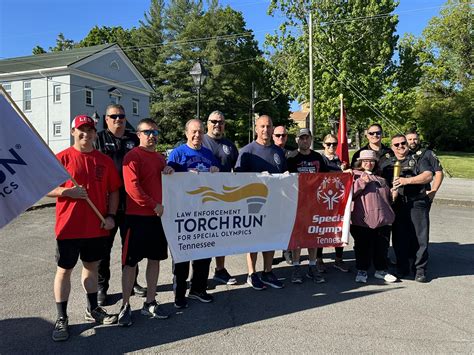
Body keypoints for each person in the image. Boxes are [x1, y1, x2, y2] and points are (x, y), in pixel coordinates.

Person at [47, 115, 122, 342]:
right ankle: (62, 318)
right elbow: (46, 188)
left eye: (90, 130)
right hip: (68, 227)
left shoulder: (104, 161)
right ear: (73, 132)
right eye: (81, 130)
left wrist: (110, 216)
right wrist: (66, 192)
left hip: (96, 227)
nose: (86, 134)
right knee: (64, 271)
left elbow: (115, 191)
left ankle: (93, 309)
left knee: (91, 268)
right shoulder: (62, 158)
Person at [118, 119, 174, 326]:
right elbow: (132, 189)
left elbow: (163, 182)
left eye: (155, 132)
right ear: (139, 135)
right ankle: (125, 305)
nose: (152, 136)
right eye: (147, 132)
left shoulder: (160, 158)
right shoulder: (132, 157)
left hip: (157, 218)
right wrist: (153, 205)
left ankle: (150, 302)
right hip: (137, 218)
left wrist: (168, 171)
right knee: (130, 262)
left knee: (155, 260)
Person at [94, 104, 144, 306]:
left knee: (131, 247)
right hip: (107, 206)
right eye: (113, 116)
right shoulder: (99, 138)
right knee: (103, 250)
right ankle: (101, 287)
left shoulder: (133, 139)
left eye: (121, 116)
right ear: (106, 119)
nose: (118, 120)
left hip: (131, 204)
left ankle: (132, 283)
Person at [167, 119, 220, 308]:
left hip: (204, 212)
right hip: (182, 213)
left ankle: (198, 289)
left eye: (200, 132)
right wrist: (171, 170)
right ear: (186, 132)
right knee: (182, 255)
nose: (197, 135)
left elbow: (218, 176)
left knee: (204, 252)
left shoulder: (208, 153)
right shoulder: (178, 153)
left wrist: (216, 170)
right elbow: (168, 174)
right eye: (194, 132)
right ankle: (179, 294)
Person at [235, 115, 287, 290]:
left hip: (274, 204)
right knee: (253, 240)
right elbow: (238, 180)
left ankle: (268, 271)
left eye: (269, 126)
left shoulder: (278, 151)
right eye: (262, 126)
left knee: (270, 238)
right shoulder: (247, 151)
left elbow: (284, 175)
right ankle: (252, 273)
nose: (266, 129)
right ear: (256, 128)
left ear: (272, 129)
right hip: (254, 204)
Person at [381, 134, 434, 282]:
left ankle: (420, 270)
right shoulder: (387, 163)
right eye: (396, 144)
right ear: (392, 147)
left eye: (403, 143)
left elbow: (428, 176)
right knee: (399, 238)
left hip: (416, 202)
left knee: (420, 237)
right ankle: (402, 268)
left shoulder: (417, 158)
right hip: (397, 204)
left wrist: (407, 181)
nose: (400, 146)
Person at [202, 110, 239, 285]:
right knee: (201, 237)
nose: (218, 124)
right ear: (207, 123)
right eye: (214, 121)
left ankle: (220, 269)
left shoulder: (230, 146)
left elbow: (238, 172)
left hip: (223, 198)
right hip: (200, 199)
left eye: (221, 122)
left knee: (221, 235)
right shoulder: (199, 141)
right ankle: (198, 276)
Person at [287, 128, 327, 284]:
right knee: (297, 236)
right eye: (301, 138)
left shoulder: (318, 157)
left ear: (311, 139)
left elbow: (326, 177)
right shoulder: (291, 157)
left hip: (314, 203)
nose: (304, 141)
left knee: (313, 236)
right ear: (297, 140)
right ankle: (296, 267)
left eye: (307, 138)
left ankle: (312, 266)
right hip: (296, 203)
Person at [351, 150, 397, 284]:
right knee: (362, 246)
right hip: (362, 220)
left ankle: (381, 270)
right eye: (365, 161)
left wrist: (393, 194)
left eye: (371, 161)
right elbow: (348, 195)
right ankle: (362, 270)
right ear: (360, 162)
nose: (368, 163)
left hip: (382, 220)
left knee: (381, 246)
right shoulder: (353, 176)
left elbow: (386, 198)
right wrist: (361, 182)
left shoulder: (381, 179)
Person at [317, 133, 349, 273]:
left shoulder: (339, 161)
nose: (331, 146)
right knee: (320, 229)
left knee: (338, 228)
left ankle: (338, 259)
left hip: (337, 202)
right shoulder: (319, 160)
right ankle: (318, 259)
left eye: (334, 144)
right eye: (328, 144)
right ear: (323, 144)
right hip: (321, 201)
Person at [272, 125, 293, 264]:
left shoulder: (292, 152)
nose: (281, 138)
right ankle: (270, 252)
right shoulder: (268, 150)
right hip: (272, 194)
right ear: (273, 136)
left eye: (283, 135)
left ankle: (287, 252)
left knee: (288, 225)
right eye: (278, 135)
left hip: (289, 194)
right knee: (273, 225)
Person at [406, 129, 444, 202]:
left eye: (415, 139)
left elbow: (439, 172)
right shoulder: (402, 153)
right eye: (410, 139)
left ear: (419, 140)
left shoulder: (427, 153)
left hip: (422, 194)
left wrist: (433, 191)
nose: (412, 141)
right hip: (404, 195)